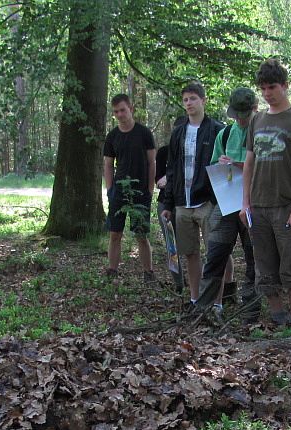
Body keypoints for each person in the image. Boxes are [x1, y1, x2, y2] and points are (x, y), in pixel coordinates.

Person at [241, 58, 291, 327]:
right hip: (259, 205)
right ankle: (277, 316)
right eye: (263, 88)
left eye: (272, 87)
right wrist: (245, 203)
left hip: (287, 204)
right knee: (265, 264)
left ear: (285, 86)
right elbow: (249, 164)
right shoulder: (257, 120)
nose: (267, 93)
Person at [195, 87, 258, 322]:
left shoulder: (262, 133)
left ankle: (251, 312)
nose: (240, 119)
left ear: (254, 109)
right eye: (237, 115)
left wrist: (241, 165)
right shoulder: (225, 133)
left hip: (255, 205)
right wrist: (222, 163)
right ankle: (204, 309)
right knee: (215, 254)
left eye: (245, 114)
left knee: (254, 258)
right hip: (226, 204)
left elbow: (268, 168)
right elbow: (213, 166)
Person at [161, 81, 224, 309]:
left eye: (193, 99)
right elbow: (171, 169)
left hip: (207, 202)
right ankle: (195, 299)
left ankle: (217, 302)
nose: (189, 103)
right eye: (185, 99)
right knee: (190, 253)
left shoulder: (217, 130)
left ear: (203, 100)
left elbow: (223, 167)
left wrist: (217, 200)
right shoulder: (178, 133)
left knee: (215, 253)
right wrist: (168, 203)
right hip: (182, 203)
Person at [103, 93, 156, 282]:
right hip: (118, 192)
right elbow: (108, 164)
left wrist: (149, 189)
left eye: (122, 110)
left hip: (140, 192)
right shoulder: (112, 136)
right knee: (114, 234)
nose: (119, 114)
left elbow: (152, 163)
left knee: (141, 234)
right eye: (116, 111)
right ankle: (112, 271)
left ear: (131, 109)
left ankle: (148, 273)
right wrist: (110, 189)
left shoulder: (144, 133)